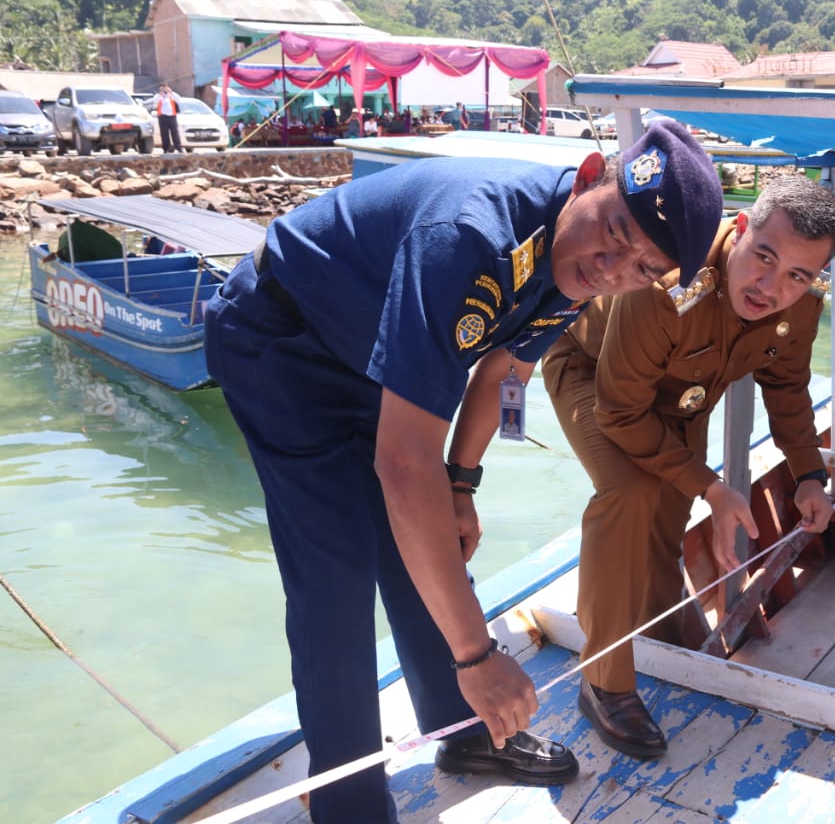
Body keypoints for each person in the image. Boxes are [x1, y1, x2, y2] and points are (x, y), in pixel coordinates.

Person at [203, 120, 723, 823]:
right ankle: (350, 805)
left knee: (431, 539)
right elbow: (401, 460)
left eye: (641, 267)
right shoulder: (471, 238)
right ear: (589, 174)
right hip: (283, 339)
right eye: (615, 228)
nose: (612, 265)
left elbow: (505, 372)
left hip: (366, 354)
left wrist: (461, 485)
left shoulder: (574, 270)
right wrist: (479, 655)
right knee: (337, 579)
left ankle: (466, 732)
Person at [542, 177, 835, 757]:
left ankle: (656, 626)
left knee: (668, 510)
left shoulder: (800, 307)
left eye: (797, 276)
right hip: (595, 375)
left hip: (682, 399)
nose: (770, 287)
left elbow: (786, 387)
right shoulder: (666, 281)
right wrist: (713, 486)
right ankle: (604, 682)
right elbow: (621, 412)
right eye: (764, 257)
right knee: (630, 494)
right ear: (739, 229)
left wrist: (809, 474)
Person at [154, 83, 181, 153]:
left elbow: (178, 99)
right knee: (164, 133)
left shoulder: (171, 95)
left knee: (175, 132)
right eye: (162, 88)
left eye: (164, 87)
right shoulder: (158, 96)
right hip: (162, 116)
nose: (163, 89)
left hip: (172, 116)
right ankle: (166, 148)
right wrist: (161, 95)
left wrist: (171, 92)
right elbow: (155, 103)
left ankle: (178, 147)